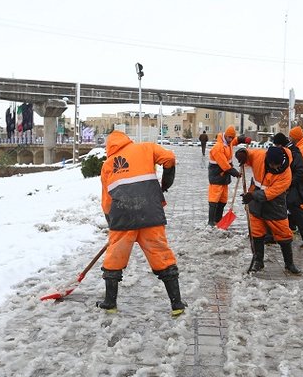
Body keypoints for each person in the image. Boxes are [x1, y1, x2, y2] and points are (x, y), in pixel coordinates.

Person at [98, 130, 186, 316]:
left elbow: (106, 200)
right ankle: (176, 303)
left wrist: (112, 222)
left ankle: (110, 303)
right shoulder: (146, 148)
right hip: (150, 213)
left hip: (122, 217)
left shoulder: (107, 164)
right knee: (161, 254)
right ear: (127, 140)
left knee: (115, 257)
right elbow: (169, 158)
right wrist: (166, 182)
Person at [235, 145, 301, 274]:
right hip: (255, 202)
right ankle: (258, 261)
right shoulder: (260, 156)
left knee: (283, 233)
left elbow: (271, 192)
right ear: (266, 160)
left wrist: (252, 196)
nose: (274, 168)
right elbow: (248, 154)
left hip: (275, 204)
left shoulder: (286, 175)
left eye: (276, 165)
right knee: (257, 232)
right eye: (272, 165)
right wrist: (241, 153)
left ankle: (289, 264)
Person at [274, 127, 303, 248]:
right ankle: (289, 231)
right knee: (292, 208)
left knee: (297, 209)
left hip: (298, 184)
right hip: (295, 184)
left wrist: (289, 182)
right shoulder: (293, 149)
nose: (290, 137)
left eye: (291, 136)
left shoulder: (301, 149)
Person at [207, 125, 250, 226]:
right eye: (229, 137)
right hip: (216, 176)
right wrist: (235, 173)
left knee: (223, 200)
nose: (231, 139)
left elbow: (236, 140)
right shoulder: (218, 147)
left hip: (224, 178)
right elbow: (224, 165)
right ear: (225, 136)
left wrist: (244, 139)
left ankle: (218, 219)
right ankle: (211, 221)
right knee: (214, 200)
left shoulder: (229, 143)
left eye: (232, 137)